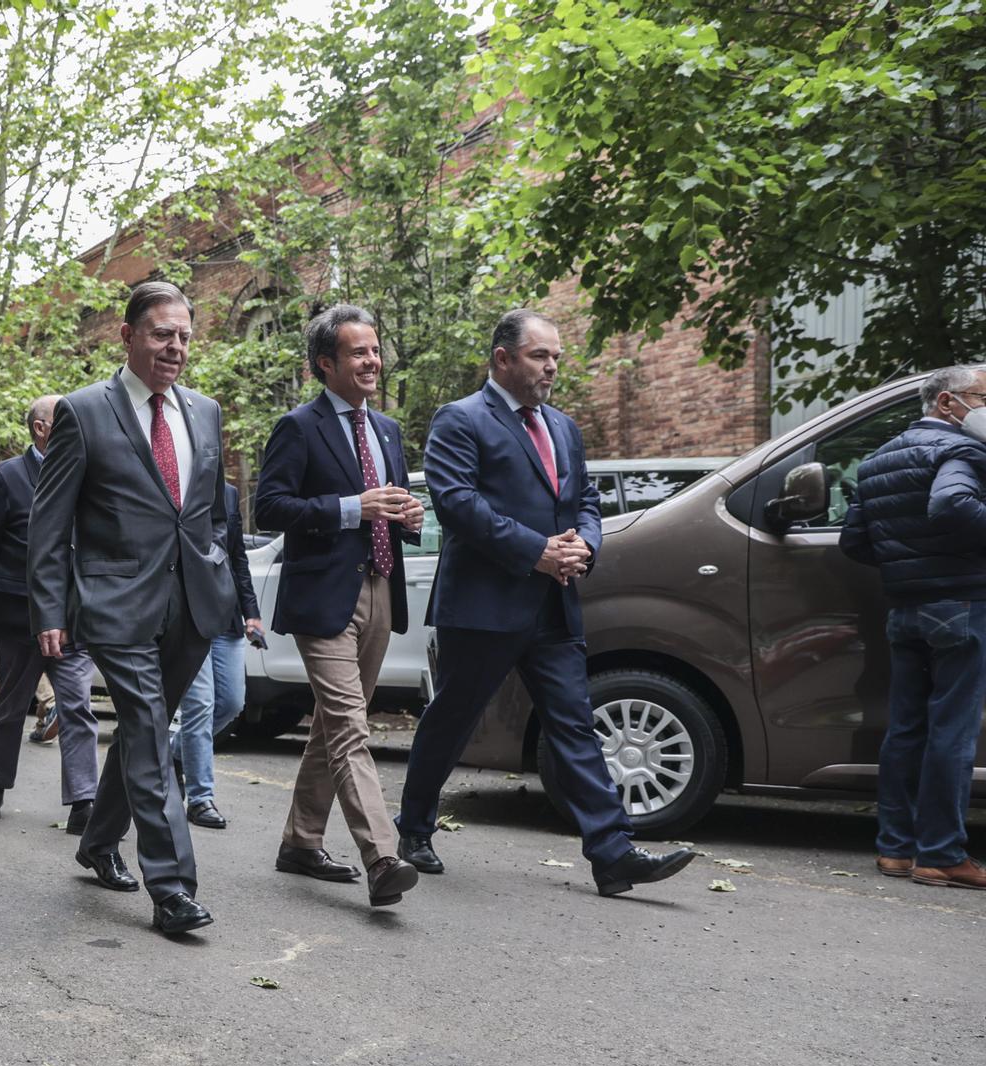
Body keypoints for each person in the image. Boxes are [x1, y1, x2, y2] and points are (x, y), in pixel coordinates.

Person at [395, 309, 694, 897]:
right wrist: (536, 551)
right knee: (453, 718)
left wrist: (585, 541)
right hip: (483, 605)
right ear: (503, 358)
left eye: (556, 356)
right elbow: (456, 503)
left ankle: (612, 855)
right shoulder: (460, 420)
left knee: (575, 726)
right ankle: (413, 829)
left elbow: (584, 500)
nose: (552, 366)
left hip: (553, 604)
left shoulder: (563, 427)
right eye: (540, 356)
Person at [27, 281, 234, 937]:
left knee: (146, 730)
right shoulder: (85, 413)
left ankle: (95, 840)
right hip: (115, 603)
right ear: (128, 336)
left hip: (192, 603)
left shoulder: (205, 411)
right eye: (160, 334)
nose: (174, 347)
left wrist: (232, 593)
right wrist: (49, 610)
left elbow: (212, 517)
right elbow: (48, 522)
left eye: (183, 336)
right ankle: (172, 887)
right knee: (147, 726)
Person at [252, 304, 424, 907]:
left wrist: (409, 518)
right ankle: (381, 855)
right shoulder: (299, 427)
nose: (372, 361)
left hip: (380, 587)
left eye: (375, 350)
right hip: (323, 596)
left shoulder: (388, 430)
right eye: (358, 352)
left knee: (332, 725)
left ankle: (300, 842)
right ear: (326, 364)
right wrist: (353, 507)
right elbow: (268, 507)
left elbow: (393, 508)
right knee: (351, 727)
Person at [841, 364, 986, 888]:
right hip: (963, 606)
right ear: (948, 403)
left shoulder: (878, 460)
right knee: (952, 731)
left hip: (904, 610)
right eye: (984, 396)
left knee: (905, 730)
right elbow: (952, 504)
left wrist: (908, 563)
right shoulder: (962, 451)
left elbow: (854, 542)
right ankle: (942, 854)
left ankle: (896, 850)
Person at [0, 394, 99, 832]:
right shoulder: (6, 478)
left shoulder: (87, 472)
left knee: (76, 705)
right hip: (18, 617)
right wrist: (3, 593)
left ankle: (83, 800)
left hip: (74, 618)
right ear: (42, 428)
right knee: (11, 705)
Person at [168, 477, 262, 830]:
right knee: (200, 704)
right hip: (188, 618)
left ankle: (174, 753)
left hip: (226, 616)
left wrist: (251, 613)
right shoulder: (173, 485)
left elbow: (237, 557)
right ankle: (201, 797)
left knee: (231, 703)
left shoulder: (227, 493)